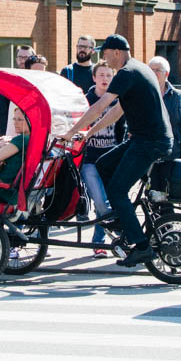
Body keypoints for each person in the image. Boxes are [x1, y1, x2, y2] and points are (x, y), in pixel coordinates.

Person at [61, 36, 171, 263]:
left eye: (106, 52)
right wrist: (88, 133)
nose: (103, 57)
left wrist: (71, 132)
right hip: (145, 139)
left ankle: (141, 246)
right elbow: (116, 111)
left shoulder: (128, 72)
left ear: (118, 52)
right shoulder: (137, 69)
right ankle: (123, 215)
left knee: (118, 191)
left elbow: (100, 105)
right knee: (103, 164)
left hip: (150, 142)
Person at [78, 62, 127, 254]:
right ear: (94, 78)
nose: (105, 79)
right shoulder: (86, 100)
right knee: (100, 201)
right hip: (90, 159)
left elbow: (122, 128)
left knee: (109, 199)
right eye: (101, 75)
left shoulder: (117, 100)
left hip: (111, 157)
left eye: (109, 75)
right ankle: (118, 236)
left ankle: (99, 242)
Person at [148, 56, 181, 158]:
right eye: (151, 70)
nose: (154, 73)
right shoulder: (143, 95)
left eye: (158, 70)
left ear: (166, 74)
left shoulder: (177, 96)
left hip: (173, 152)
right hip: (149, 152)